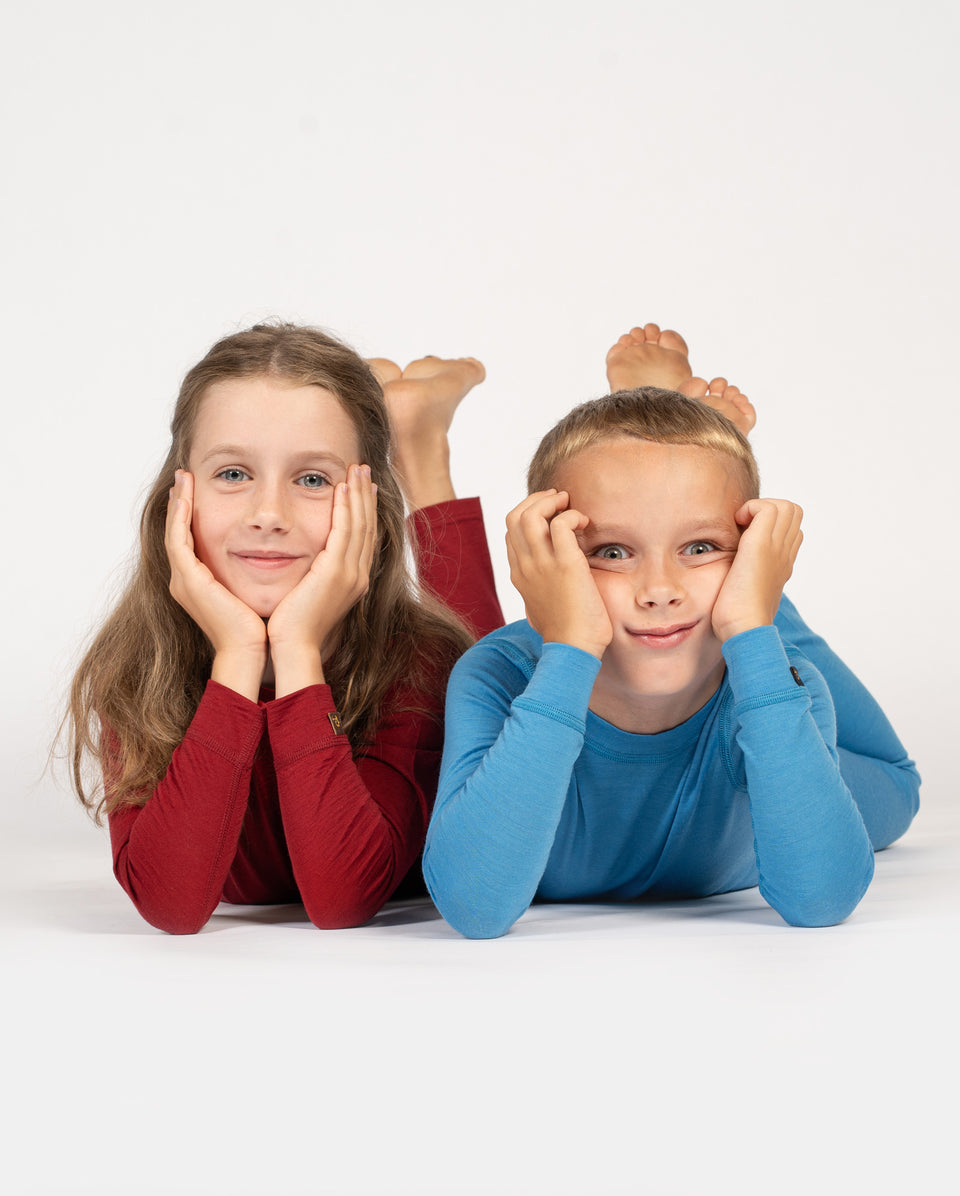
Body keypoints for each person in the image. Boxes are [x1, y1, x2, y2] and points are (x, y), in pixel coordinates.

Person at [423, 325, 920, 938]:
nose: (658, 588)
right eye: (611, 551)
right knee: (468, 629)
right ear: (547, 556)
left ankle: (686, 463)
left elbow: (820, 900)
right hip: (625, 642)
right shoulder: (495, 678)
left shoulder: (781, 682)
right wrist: (570, 650)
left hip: (740, 656)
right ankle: (683, 466)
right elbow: (474, 906)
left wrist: (752, 627)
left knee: (897, 787)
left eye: (701, 545)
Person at [66, 322, 502, 934]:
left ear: (370, 510)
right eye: (233, 474)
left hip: (427, 654)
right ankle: (408, 429)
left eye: (313, 479)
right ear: (177, 498)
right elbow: (170, 905)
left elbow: (343, 898)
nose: (269, 515)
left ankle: (419, 447)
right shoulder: (137, 663)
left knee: (482, 658)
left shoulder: (422, 663)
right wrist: (239, 654)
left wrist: (296, 649)